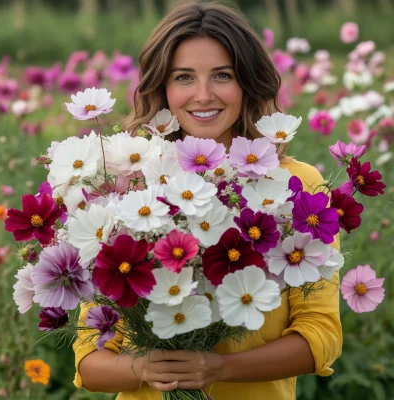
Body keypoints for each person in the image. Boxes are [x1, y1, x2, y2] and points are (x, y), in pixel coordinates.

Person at [73, 1, 342, 399]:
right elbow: (88, 361)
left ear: (248, 82)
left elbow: (320, 337)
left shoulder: (296, 184)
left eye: (222, 75)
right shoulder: (130, 187)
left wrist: (217, 368)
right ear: (161, 86)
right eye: (183, 77)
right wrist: (144, 367)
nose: (202, 95)